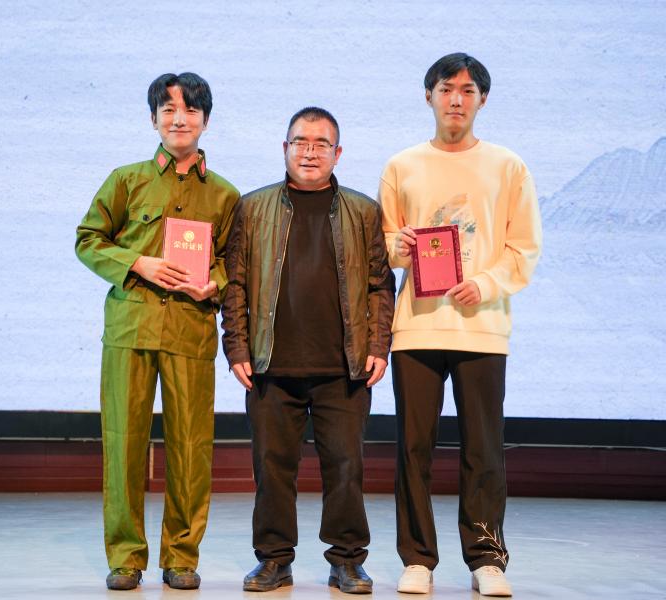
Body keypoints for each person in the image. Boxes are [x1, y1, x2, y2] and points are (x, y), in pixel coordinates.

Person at [377, 53, 542, 597]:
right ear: (428, 95)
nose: (456, 99)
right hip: (418, 327)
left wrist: (486, 284)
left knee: (483, 449)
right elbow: (384, 243)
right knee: (413, 449)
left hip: (482, 328)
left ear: (482, 100)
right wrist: (398, 248)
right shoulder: (402, 165)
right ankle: (417, 559)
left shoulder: (507, 166)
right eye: (447, 89)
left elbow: (524, 248)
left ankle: (486, 558)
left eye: (468, 91)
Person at [75, 72, 239, 591]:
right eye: (168, 110)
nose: (179, 119)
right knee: (123, 443)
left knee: (192, 447)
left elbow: (234, 264)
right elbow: (87, 240)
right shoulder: (126, 180)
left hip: (190, 330)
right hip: (131, 327)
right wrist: (137, 262)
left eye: (190, 110)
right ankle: (126, 557)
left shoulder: (226, 195)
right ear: (153, 120)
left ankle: (181, 556)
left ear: (205, 120)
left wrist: (211, 283)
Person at [221, 107, 394, 594]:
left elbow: (381, 285)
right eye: (300, 141)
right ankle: (274, 559)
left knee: (347, 468)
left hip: (344, 367)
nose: (310, 152)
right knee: (272, 469)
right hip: (270, 365)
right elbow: (234, 284)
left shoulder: (363, 211)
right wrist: (236, 345)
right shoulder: (252, 208)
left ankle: (348, 561)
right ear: (285, 148)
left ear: (338, 153)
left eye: (322, 144)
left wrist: (379, 344)